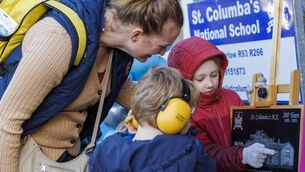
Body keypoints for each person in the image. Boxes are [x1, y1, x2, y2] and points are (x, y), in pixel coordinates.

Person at [0, 0, 184, 171]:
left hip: (68, 158)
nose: (162, 52)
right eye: (162, 45)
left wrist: (169, 107)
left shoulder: (118, 49)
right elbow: (7, 120)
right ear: (136, 35)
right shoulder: (59, 38)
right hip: (26, 159)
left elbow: (113, 86)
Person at [168, 36, 275, 171]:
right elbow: (207, 154)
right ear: (184, 80)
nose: (210, 84)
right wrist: (242, 155)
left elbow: (252, 132)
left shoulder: (231, 97)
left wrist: (255, 108)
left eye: (214, 75)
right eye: (200, 79)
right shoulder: (185, 112)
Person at [88, 66, 216, 172]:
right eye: (188, 113)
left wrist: (129, 136)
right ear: (177, 115)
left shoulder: (105, 150)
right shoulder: (190, 153)